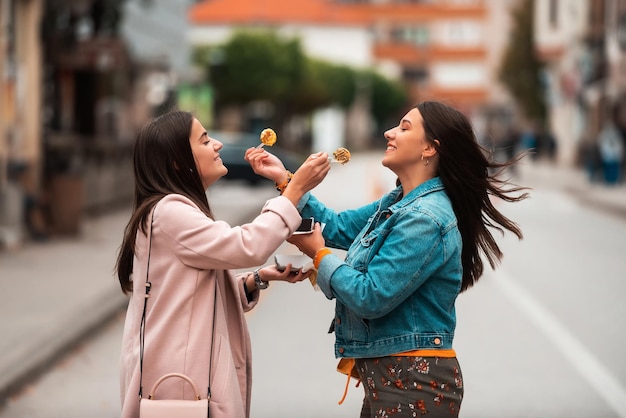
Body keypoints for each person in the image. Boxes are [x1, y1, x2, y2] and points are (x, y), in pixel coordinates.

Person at [246, 100, 529, 417]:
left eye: (404, 128)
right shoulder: (400, 201)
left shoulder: (425, 218)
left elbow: (370, 295)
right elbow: (338, 226)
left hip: (412, 384)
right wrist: (287, 181)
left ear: (429, 149)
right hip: (395, 380)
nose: (388, 132)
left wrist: (318, 252)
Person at [115, 110, 330, 418]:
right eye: (204, 140)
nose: (216, 144)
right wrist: (293, 190)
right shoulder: (171, 211)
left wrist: (256, 279)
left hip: (182, 379)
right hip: (183, 388)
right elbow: (248, 245)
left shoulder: (169, 210)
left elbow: (188, 295)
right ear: (178, 162)